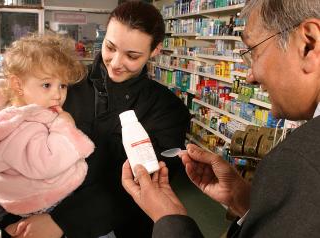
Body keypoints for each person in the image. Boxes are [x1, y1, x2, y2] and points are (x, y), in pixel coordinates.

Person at [0, 1, 191, 238]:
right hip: (29, 222)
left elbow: (147, 187)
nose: (115, 62)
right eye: (110, 47)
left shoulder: (168, 110)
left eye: (132, 55)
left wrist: (62, 223)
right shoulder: (61, 85)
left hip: (114, 227)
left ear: (155, 50)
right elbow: (2, 143)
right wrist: (6, 219)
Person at [121, 0, 320, 237]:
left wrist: (168, 217)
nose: (250, 76)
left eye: (254, 52)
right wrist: (246, 202)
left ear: (308, 44)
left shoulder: (300, 163)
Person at [0, 33, 103, 233]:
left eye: (62, 86)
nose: (58, 95)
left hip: (10, 199)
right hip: (36, 203)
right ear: (18, 85)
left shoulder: (2, 113)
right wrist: (64, 127)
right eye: (47, 85)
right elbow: (48, 163)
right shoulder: (25, 126)